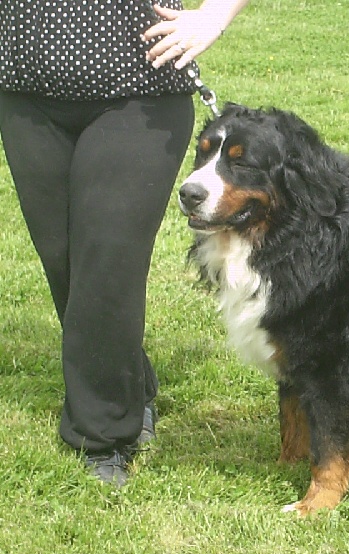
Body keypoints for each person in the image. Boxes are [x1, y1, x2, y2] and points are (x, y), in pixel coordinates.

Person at [0, 0, 249, 486]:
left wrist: (212, 17)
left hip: (140, 92)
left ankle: (103, 435)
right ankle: (128, 380)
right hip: (24, 93)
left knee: (106, 258)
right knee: (66, 261)